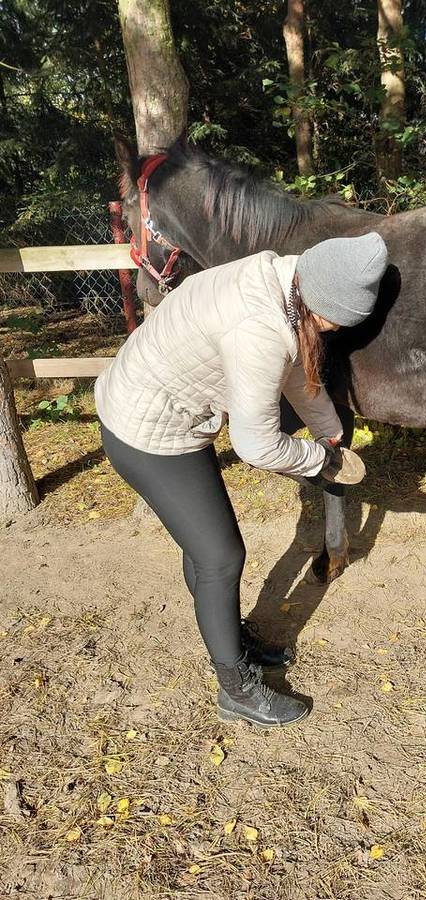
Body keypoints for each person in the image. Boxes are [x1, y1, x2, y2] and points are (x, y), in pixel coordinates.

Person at [94, 232, 388, 728]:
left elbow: (295, 366)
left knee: (206, 546)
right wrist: (320, 461)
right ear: (316, 300)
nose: (334, 331)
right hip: (145, 429)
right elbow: (255, 445)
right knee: (220, 555)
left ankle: (230, 635)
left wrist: (331, 433)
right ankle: (235, 687)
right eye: (334, 322)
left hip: (171, 415)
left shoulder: (285, 278)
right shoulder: (260, 326)